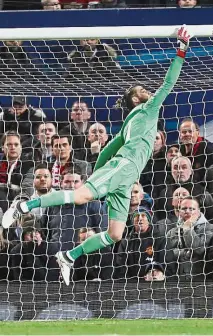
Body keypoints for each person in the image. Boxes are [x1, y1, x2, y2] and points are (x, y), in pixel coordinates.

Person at [1, 25, 193, 286]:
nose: (146, 91)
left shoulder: (129, 124)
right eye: (141, 91)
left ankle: (69, 255)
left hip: (125, 178)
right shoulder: (148, 109)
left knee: (115, 233)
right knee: (81, 195)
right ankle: (23, 206)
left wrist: (99, 172)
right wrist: (181, 49)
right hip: (123, 168)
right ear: (136, 100)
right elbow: (169, 83)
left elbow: (106, 152)